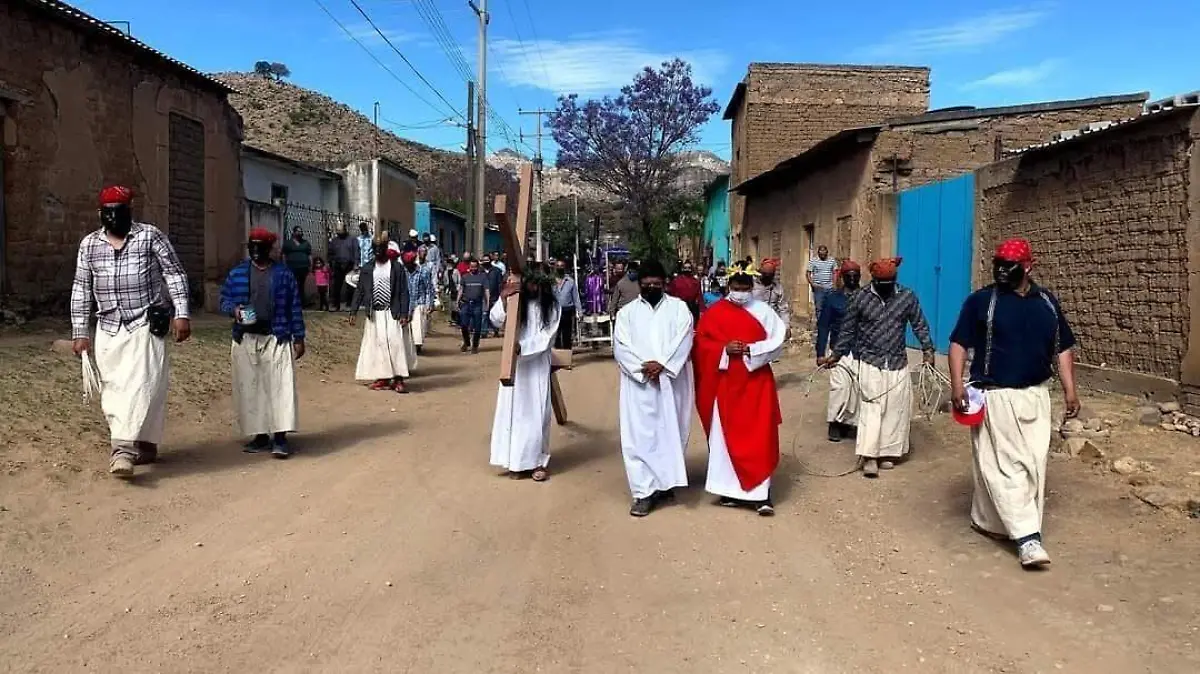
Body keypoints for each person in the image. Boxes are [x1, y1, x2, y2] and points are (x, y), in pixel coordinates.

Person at [949, 238, 1079, 569]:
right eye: (998, 264)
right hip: (997, 396)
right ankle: (1027, 539)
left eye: (1010, 265)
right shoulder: (981, 302)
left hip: (1036, 396)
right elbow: (958, 343)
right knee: (1005, 466)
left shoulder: (1047, 301)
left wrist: (1070, 391)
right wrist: (956, 384)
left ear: (1028, 267)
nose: (1002, 271)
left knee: (1032, 466)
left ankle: (989, 522)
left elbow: (1062, 347)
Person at [70, 185, 192, 477]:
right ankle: (144, 443)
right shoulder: (89, 245)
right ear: (100, 214)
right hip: (109, 327)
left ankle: (123, 449)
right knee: (114, 387)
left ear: (130, 212)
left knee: (144, 385)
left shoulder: (150, 236)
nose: (114, 218)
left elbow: (174, 274)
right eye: (108, 213)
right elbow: (81, 288)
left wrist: (182, 314)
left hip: (144, 324)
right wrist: (80, 332)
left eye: (120, 212)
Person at [828, 257, 935, 478]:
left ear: (895, 279)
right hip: (870, 361)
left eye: (890, 281)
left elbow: (919, 323)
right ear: (874, 279)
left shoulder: (907, 297)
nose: (886, 286)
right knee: (871, 407)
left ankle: (888, 452)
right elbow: (847, 330)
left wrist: (928, 349)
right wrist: (836, 354)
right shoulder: (860, 298)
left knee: (896, 408)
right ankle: (869, 456)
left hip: (897, 361)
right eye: (881, 282)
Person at [694, 270, 786, 516]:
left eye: (745, 288)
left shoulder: (764, 312)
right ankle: (729, 491)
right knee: (724, 438)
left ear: (751, 288)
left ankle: (761, 495)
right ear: (729, 286)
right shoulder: (715, 313)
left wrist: (752, 350)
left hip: (756, 381)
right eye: (736, 287)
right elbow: (701, 343)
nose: (741, 292)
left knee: (760, 435)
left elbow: (778, 340)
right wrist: (724, 349)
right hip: (724, 384)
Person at [613, 260, 695, 517]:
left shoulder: (679, 309)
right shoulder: (627, 313)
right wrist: (642, 367)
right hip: (639, 385)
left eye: (656, 284)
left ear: (665, 283)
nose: (651, 287)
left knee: (671, 432)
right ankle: (643, 492)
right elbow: (621, 346)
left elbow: (685, 337)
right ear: (639, 284)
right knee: (639, 437)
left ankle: (664, 483)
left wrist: (664, 365)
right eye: (646, 284)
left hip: (671, 381)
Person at [219, 228, 305, 458]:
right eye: (252, 247)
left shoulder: (284, 275)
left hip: (276, 337)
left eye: (261, 247)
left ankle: (280, 437)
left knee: (279, 388)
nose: (256, 251)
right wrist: (233, 310)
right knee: (251, 388)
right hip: (246, 337)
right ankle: (259, 436)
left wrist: (299, 337)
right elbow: (224, 300)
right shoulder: (237, 273)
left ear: (269, 249)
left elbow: (294, 307)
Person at [488, 268, 562, 481]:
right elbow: (495, 319)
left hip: (536, 365)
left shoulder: (552, 306)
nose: (532, 288)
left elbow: (547, 338)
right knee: (512, 413)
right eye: (529, 284)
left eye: (536, 285)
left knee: (536, 414)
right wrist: (504, 297)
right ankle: (515, 462)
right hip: (515, 368)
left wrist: (522, 348)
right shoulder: (516, 300)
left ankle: (538, 462)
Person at [349, 236, 413, 393]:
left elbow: (404, 291)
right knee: (379, 345)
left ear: (386, 248)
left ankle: (398, 379)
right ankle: (383, 378)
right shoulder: (367, 268)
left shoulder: (397, 268)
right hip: (375, 313)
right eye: (375, 248)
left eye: (381, 247)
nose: (378, 251)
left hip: (393, 312)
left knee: (395, 343)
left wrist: (405, 313)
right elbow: (360, 290)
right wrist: (353, 311)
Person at [817, 260, 863, 443]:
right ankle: (834, 422)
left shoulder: (866, 297)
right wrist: (820, 352)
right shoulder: (833, 298)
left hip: (860, 349)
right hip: (838, 349)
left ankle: (850, 423)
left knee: (857, 387)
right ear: (843, 277)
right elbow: (823, 325)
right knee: (840, 387)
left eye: (855, 276)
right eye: (848, 276)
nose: (852, 279)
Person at [403, 250, 434, 355]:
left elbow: (429, 288)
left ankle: (417, 347)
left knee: (417, 326)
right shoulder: (403, 272)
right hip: (406, 302)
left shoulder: (423, 272)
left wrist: (429, 304)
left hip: (419, 302)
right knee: (406, 326)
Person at [457, 258, 490, 353]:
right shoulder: (465, 277)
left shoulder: (483, 277)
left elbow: (486, 290)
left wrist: (487, 303)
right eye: (471, 267)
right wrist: (457, 300)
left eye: (475, 267)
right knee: (463, 325)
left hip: (477, 305)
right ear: (469, 267)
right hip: (466, 304)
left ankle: (475, 346)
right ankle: (467, 343)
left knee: (477, 327)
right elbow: (461, 289)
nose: (473, 268)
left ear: (478, 267)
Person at [327, 223, 358, 312]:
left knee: (350, 286)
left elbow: (356, 251)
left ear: (345, 229)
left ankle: (349, 305)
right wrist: (330, 262)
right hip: (337, 265)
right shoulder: (334, 241)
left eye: (340, 230)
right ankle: (336, 305)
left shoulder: (352, 240)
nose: (339, 232)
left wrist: (356, 263)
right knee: (336, 286)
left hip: (349, 264)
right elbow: (330, 253)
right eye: (337, 231)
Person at [753, 258, 791, 329]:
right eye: (765, 274)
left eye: (769, 274)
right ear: (760, 272)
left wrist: (786, 326)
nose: (767, 276)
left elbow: (783, 309)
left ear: (773, 275)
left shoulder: (778, 288)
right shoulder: (751, 285)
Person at [553, 259, 582, 349]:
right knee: (555, 334)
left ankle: (567, 356)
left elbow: (576, 297)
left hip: (567, 311)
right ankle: (558, 358)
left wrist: (580, 311)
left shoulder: (570, 281)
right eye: (558, 266)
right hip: (554, 311)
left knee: (567, 335)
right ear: (555, 267)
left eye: (562, 266)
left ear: (564, 268)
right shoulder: (550, 281)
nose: (560, 268)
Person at [281, 226, 313, 305]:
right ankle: (291, 301)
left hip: (303, 267)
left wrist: (311, 265)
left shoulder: (306, 243)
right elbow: (284, 255)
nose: (300, 233)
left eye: (301, 231)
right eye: (298, 231)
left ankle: (301, 302)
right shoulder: (288, 243)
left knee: (301, 285)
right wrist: (284, 265)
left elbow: (309, 255)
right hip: (291, 267)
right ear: (294, 232)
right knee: (292, 284)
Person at [807, 245, 837, 324]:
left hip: (830, 287)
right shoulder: (813, 261)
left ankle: (829, 324)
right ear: (818, 252)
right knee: (819, 308)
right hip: (819, 288)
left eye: (824, 251)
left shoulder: (832, 260)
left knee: (830, 307)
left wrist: (834, 284)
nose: (822, 253)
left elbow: (835, 272)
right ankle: (821, 325)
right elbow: (808, 273)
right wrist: (812, 284)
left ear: (827, 252)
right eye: (821, 251)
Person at [483, 254, 504, 338]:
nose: (485, 263)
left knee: (495, 315)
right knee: (484, 314)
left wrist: (500, 296)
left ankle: (496, 331)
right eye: (483, 261)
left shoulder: (497, 271)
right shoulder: (480, 271)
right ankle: (484, 332)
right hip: (483, 297)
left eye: (487, 261)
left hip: (495, 296)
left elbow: (500, 284)